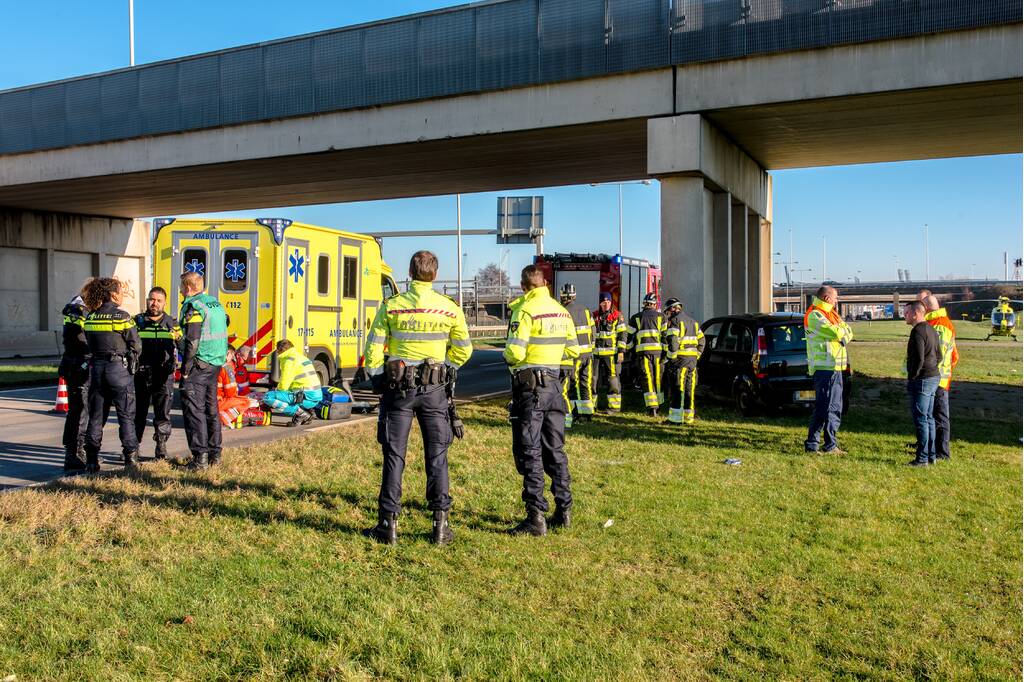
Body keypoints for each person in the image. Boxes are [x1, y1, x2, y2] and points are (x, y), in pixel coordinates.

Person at [362, 250, 472, 546]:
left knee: (394, 455)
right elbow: (464, 348)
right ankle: (440, 527)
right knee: (437, 457)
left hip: (398, 391)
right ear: (435, 274)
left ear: (410, 273)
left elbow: (373, 347)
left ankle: (388, 525)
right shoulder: (449, 308)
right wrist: (444, 368)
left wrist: (378, 378)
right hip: (435, 392)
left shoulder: (393, 306)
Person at [504, 265, 579, 537]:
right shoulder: (561, 311)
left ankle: (535, 516)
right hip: (555, 386)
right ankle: (564, 509)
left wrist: (514, 357)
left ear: (524, 286)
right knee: (555, 448)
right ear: (545, 283)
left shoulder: (525, 310)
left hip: (531, 388)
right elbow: (573, 349)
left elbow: (514, 352)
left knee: (530, 450)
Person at [81, 277, 142, 472]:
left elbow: (89, 341)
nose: (123, 296)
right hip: (118, 370)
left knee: (96, 417)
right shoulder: (122, 316)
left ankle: (91, 461)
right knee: (126, 415)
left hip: (97, 369)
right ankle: (131, 459)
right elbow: (136, 344)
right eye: (121, 292)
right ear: (113, 294)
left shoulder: (91, 317)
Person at [177, 271, 229, 471]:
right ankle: (215, 454)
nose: (180, 291)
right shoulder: (214, 302)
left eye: (181, 287)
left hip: (199, 363)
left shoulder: (194, 306)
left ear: (188, 288)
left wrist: (186, 368)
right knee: (210, 409)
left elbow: (192, 340)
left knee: (194, 411)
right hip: (215, 363)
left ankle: (200, 459)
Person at [804, 285, 853, 454]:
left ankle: (828, 444)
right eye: (835, 298)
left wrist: (842, 333)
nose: (837, 301)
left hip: (835, 367)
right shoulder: (815, 315)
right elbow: (838, 333)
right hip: (824, 368)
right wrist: (842, 334)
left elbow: (849, 331)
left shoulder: (831, 314)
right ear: (826, 298)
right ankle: (815, 444)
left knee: (834, 407)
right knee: (824, 407)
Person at [134, 286, 181, 460]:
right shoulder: (137, 321)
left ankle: (161, 447)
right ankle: (133, 448)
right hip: (141, 373)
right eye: (152, 299)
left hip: (164, 374)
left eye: (158, 300)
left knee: (163, 413)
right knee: (138, 412)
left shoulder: (172, 323)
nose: (154, 303)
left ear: (164, 303)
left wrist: (178, 337)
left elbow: (183, 345)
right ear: (147, 300)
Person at [919, 293, 959, 462]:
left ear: (927, 308)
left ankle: (942, 452)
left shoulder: (939, 325)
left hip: (937, 379)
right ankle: (933, 448)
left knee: (939, 416)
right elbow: (955, 356)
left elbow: (936, 355)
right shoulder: (935, 323)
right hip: (937, 377)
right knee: (932, 415)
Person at [904, 301, 942, 466]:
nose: (904, 316)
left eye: (907, 313)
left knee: (921, 419)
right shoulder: (931, 329)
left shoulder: (917, 331)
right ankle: (931, 456)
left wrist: (913, 376)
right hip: (934, 376)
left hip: (922, 380)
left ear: (916, 313)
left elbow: (918, 358)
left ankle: (922, 458)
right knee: (929, 418)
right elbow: (939, 355)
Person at [58, 289, 91, 473]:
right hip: (80, 364)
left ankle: (73, 451)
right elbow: (82, 340)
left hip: (72, 363)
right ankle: (76, 453)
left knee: (75, 411)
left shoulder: (73, 308)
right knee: (81, 410)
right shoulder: (81, 311)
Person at [663, 298, 705, 425]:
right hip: (692, 362)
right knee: (689, 390)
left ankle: (675, 419)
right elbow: (702, 341)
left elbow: (673, 344)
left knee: (677, 389)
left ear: (672, 309)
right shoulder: (693, 322)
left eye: (667, 312)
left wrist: (671, 358)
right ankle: (688, 418)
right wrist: (696, 355)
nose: (667, 315)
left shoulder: (674, 321)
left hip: (679, 362)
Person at [558, 283, 595, 428]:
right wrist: (591, 347)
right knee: (586, 382)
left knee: (574, 384)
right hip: (588, 354)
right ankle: (588, 413)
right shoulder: (586, 310)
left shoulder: (563, 311)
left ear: (562, 296)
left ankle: (577, 413)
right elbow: (593, 330)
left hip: (574, 355)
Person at [260, 340, 322, 426]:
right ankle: (307, 411)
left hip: (305, 397)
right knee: (283, 394)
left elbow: (284, 384)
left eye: (277, 350)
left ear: (281, 350)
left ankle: (301, 413)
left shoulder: (289, 360)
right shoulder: (300, 356)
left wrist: (276, 392)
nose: (277, 353)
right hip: (314, 397)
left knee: (268, 397)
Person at [626, 292, 667, 416]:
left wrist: (627, 350)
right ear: (655, 304)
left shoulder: (636, 318)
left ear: (644, 304)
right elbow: (665, 337)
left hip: (643, 354)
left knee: (647, 378)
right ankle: (659, 406)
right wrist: (666, 354)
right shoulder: (662, 317)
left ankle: (652, 408)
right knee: (658, 379)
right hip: (658, 354)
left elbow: (629, 338)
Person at [592, 292, 627, 413]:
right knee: (593, 379)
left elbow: (622, 334)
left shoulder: (617, 316)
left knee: (612, 379)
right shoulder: (594, 316)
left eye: (608, 302)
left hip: (611, 354)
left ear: (611, 303)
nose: (606, 304)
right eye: (604, 302)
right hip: (596, 354)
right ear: (600, 303)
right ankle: (591, 406)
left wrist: (621, 351)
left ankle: (614, 407)